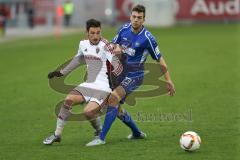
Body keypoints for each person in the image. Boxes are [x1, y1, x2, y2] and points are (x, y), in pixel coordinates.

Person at [86, 4, 175, 146]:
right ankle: (137, 133)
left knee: (113, 99)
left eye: (139, 18)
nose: (136, 20)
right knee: (117, 108)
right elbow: (114, 44)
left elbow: (160, 59)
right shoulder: (124, 29)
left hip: (135, 76)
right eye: (134, 17)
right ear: (130, 17)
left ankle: (101, 138)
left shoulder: (148, 38)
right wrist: (116, 49)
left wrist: (168, 80)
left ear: (144, 19)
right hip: (120, 73)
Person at [43, 19, 122, 145]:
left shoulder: (105, 45)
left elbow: (117, 66)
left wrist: (117, 58)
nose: (96, 36)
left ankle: (99, 130)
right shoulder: (83, 44)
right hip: (89, 84)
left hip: (103, 87)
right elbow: (77, 60)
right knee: (68, 100)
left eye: (98, 33)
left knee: (87, 112)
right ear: (87, 32)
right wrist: (61, 72)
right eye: (92, 33)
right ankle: (57, 134)